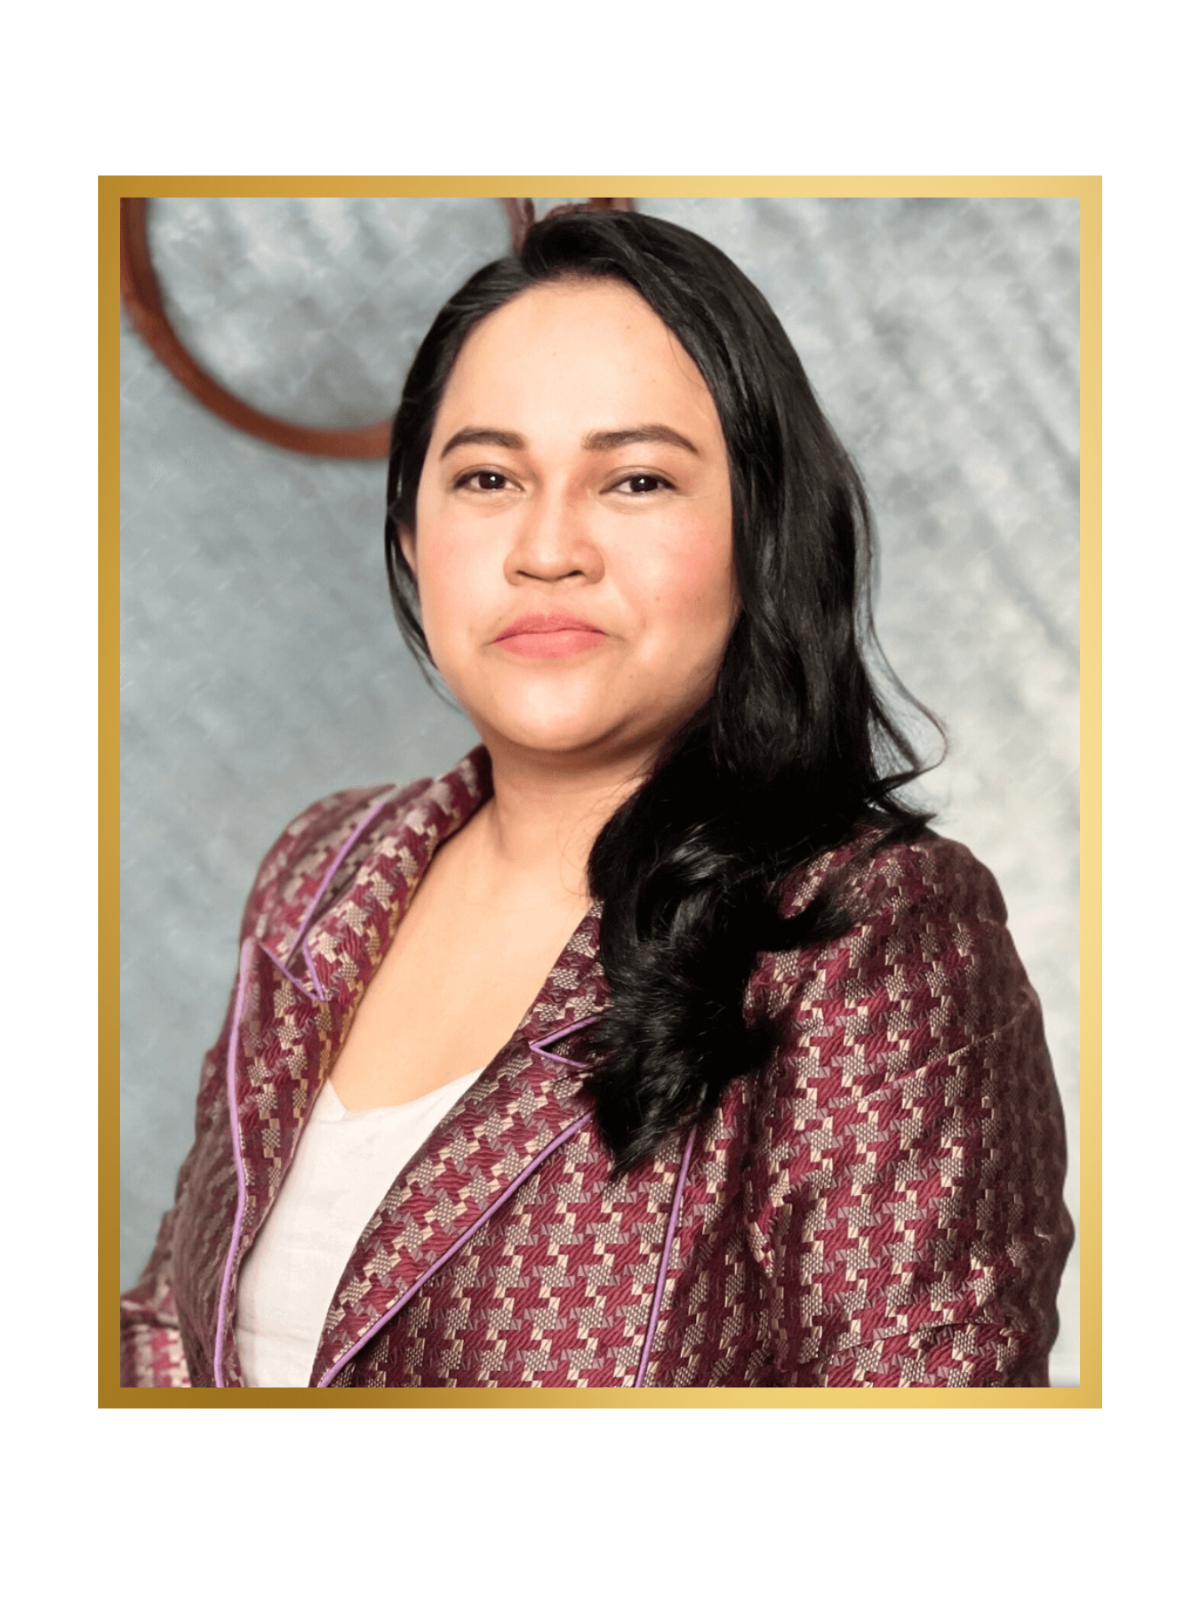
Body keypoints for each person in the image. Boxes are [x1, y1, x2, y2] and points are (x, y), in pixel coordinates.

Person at [120, 208, 1074, 1388]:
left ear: (760, 530)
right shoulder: (325, 866)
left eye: (634, 478)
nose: (547, 546)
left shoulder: (872, 931)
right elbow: (169, 1325)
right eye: (486, 476)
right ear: (413, 531)